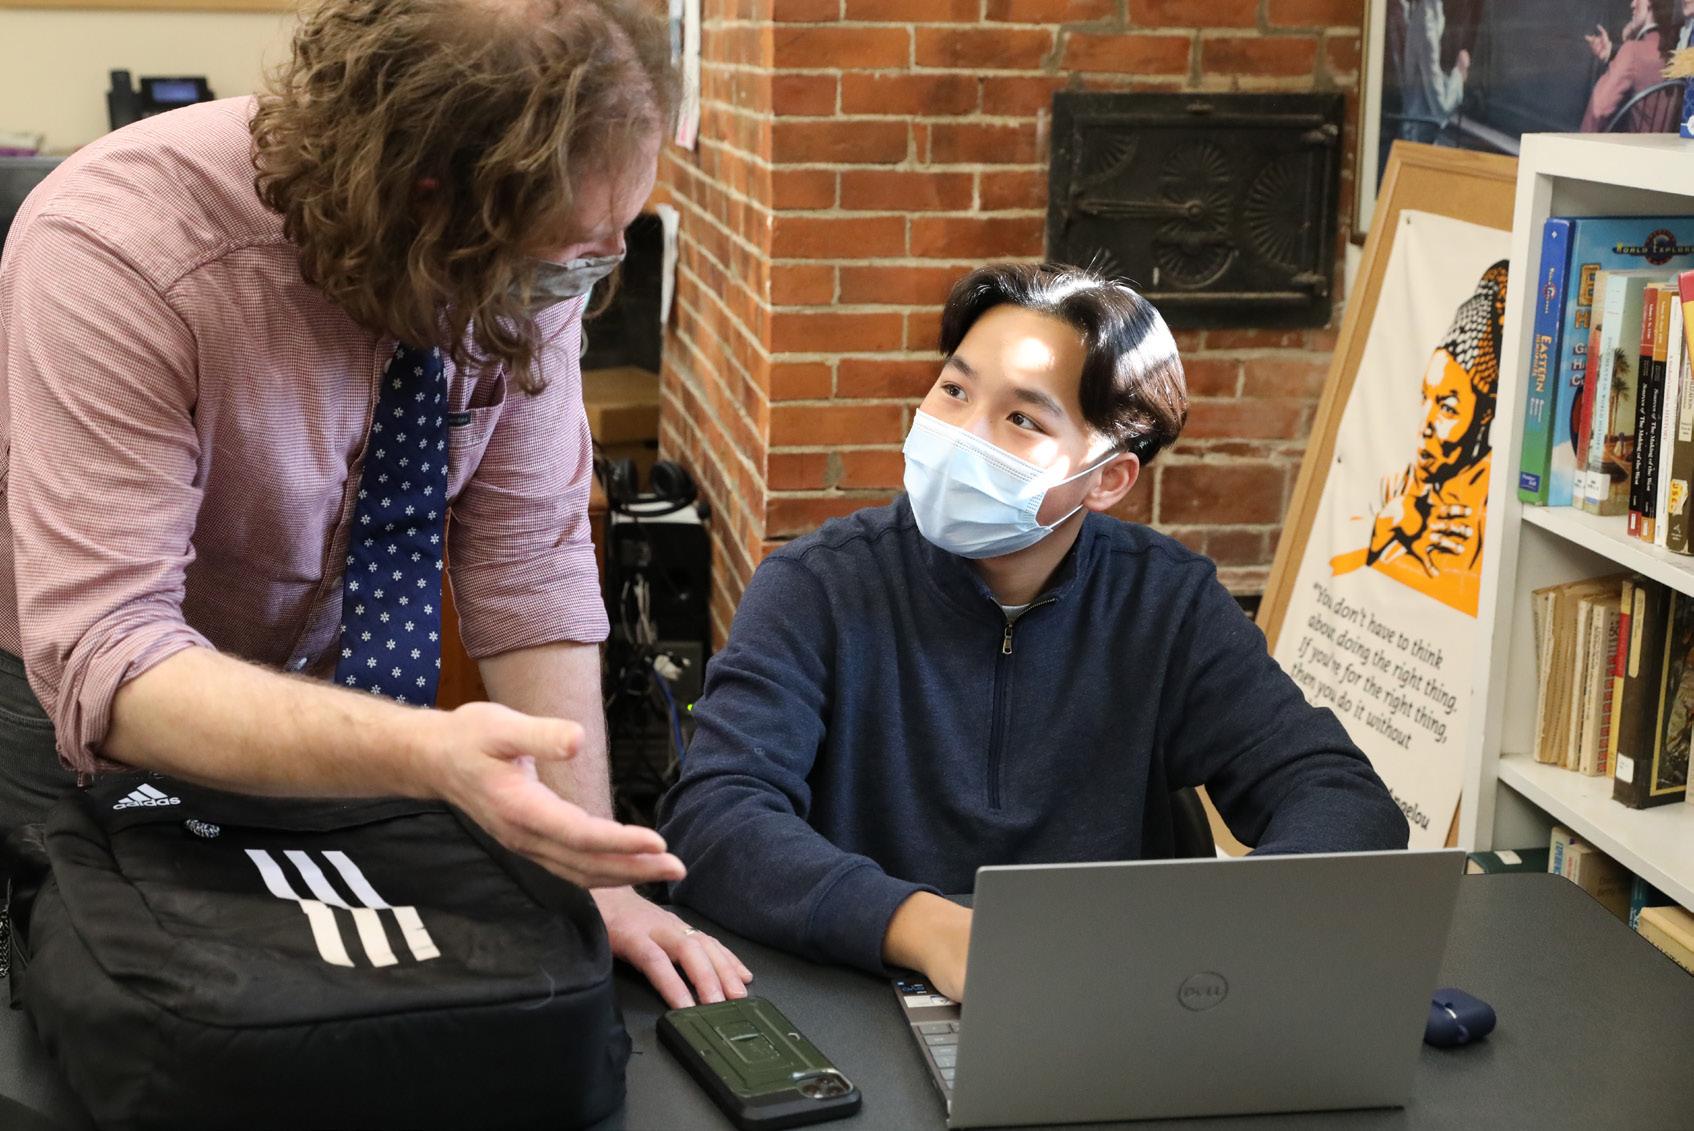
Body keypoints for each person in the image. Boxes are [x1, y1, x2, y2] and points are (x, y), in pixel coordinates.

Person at [0, 0, 747, 1008]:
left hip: (335, 716)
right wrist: (424, 753)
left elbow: (528, 553)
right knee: (131, 1030)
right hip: (79, 727)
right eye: (570, 253)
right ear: (429, 199)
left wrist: (592, 874)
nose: (585, 279)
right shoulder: (117, 248)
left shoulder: (534, 248)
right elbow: (113, 652)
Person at [657, 263, 1409, 1003]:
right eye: (954, 390)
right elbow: (715, 816)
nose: (961, 435)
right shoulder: (817, 586)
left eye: (1023, 420)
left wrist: (1218, 939)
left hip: (1107, 1004)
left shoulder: (1166, 603)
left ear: (1107, 478)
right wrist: (925, 929)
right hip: (867, 995)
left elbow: (1340, 795)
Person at [1330, 262, 1506, 618]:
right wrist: (1388, 524)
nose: (1425, 425)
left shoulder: (1486, 502)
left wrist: (1391, 544)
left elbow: (1457, 607)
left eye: (1448, 408)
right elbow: (1336, 564)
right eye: (1426, 398)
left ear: (1485, 414)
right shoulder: (1406, 478)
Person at [1581, 0, 1680, 132]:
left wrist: (1581, 142)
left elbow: (1598, 109)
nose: (1632, 5)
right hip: (1664, 142)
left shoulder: (1633, 51)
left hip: (1631, 143)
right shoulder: (1676, 51)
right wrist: (1615, 50)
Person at [1395, 0, 1471, 145]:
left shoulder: (1425, 14)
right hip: (1418, 138)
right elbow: (1441, 108)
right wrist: (1459, 73)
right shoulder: (1426, 26)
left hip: (1417, 132)